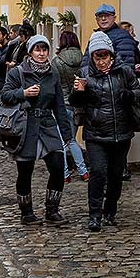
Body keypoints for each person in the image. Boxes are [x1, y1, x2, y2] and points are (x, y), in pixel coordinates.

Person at [69, 32, 140, 232]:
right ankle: (94, 214)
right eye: (97, 57)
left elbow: (139, 93)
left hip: (121, 132)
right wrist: (78, 92)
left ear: (111, 55)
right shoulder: (84, 73)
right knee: (98, 173)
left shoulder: (124, 72)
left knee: (115, 174)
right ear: (92, 57)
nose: (101, 61)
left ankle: (110, 210)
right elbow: (75, 103)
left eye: (105, 56)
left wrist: (127, 95)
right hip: (96, 133)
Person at [0, 34, 70, 226]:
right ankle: (26, 212)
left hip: (47, 124)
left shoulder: (53, 73)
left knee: (57, 167)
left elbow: (59, 106)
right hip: (26, 125)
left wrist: (66, 134)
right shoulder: (18, 72)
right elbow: (4, 95)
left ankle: (52, 210)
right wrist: (22, 93)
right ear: (30, 52)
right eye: (37, 50)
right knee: (25, 171)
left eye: (44, 49)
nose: (41, 53)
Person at [52, 30, 89, 183]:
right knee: (72, 140)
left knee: (62, 141)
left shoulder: (57, 61)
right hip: (78, 105)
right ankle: (83, 172)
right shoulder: (83, 58)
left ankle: (65, 174)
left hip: (62, 105)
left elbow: (54, 84)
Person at [118, 21, 140, 181]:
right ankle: (120, 166)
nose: (134, 35)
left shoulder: (134, 48)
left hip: (131, 92)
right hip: (122, 93)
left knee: (127, 132)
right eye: (131, 32)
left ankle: (122, 165)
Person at [80, 4, 138, 72]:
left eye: (107, 15)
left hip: (115, 80)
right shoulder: (95, 36)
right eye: (100, 16)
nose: (103, 19)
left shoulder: (123, 36)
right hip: (95, 80)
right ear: (96, 19)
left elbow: (126, 64)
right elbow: (86, 60)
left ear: (114, 18)